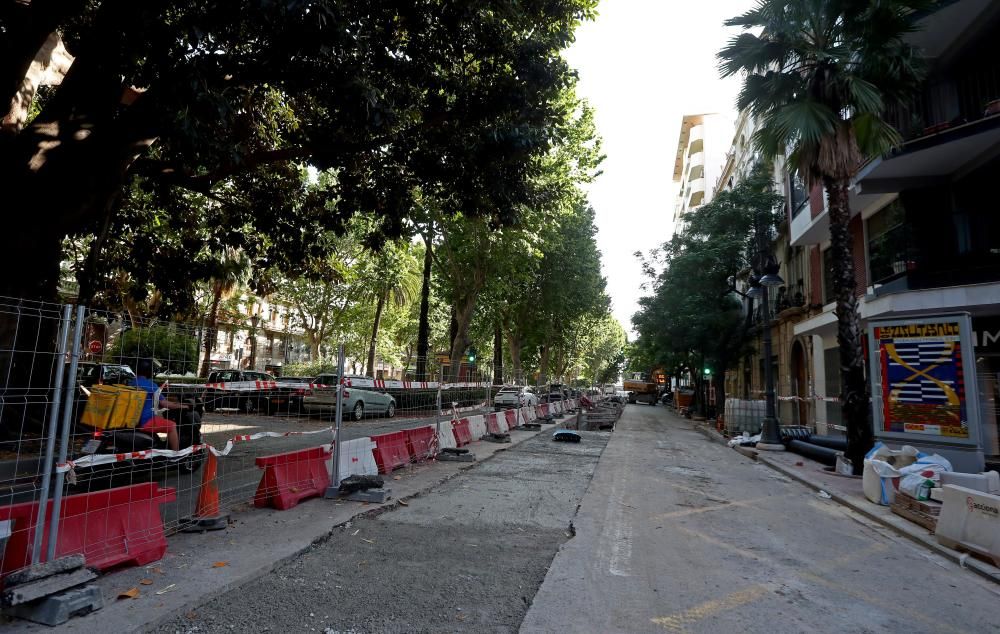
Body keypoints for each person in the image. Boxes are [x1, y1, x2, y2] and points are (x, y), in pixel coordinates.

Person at [134, 358, 184, 450]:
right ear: (149, 371)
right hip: (146, 421)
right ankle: (175, 456)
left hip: (133, 421)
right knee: (172, 426)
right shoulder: (150, 385)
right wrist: (183, 406)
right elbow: (164, 404)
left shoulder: (131, 382)